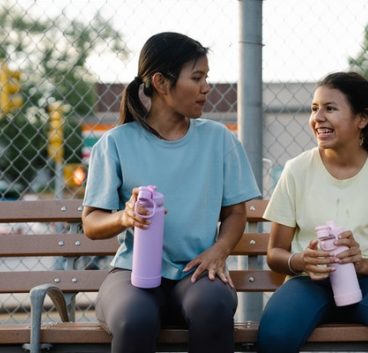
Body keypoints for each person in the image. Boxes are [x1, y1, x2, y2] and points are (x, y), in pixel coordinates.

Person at [81, 32, 261, 353]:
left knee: (212, 308)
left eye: (207, 77)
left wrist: (219, 250)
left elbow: (235, 212)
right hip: (132, 274)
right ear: (162, 83)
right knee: (134, 319)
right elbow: (92, 223)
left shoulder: (219, 139)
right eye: (197, 78)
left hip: (197, 271)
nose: (207, 87)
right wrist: (126, 216)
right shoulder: (115, 143)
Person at [256, 71, 368, 353]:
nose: (318, 117)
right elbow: (275, 253)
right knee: (276, 334)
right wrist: (302, 260)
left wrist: (362, 264)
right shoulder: (296, 170)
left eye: (330, 108)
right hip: (309, 282)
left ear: (361, 119)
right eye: (315, 109)